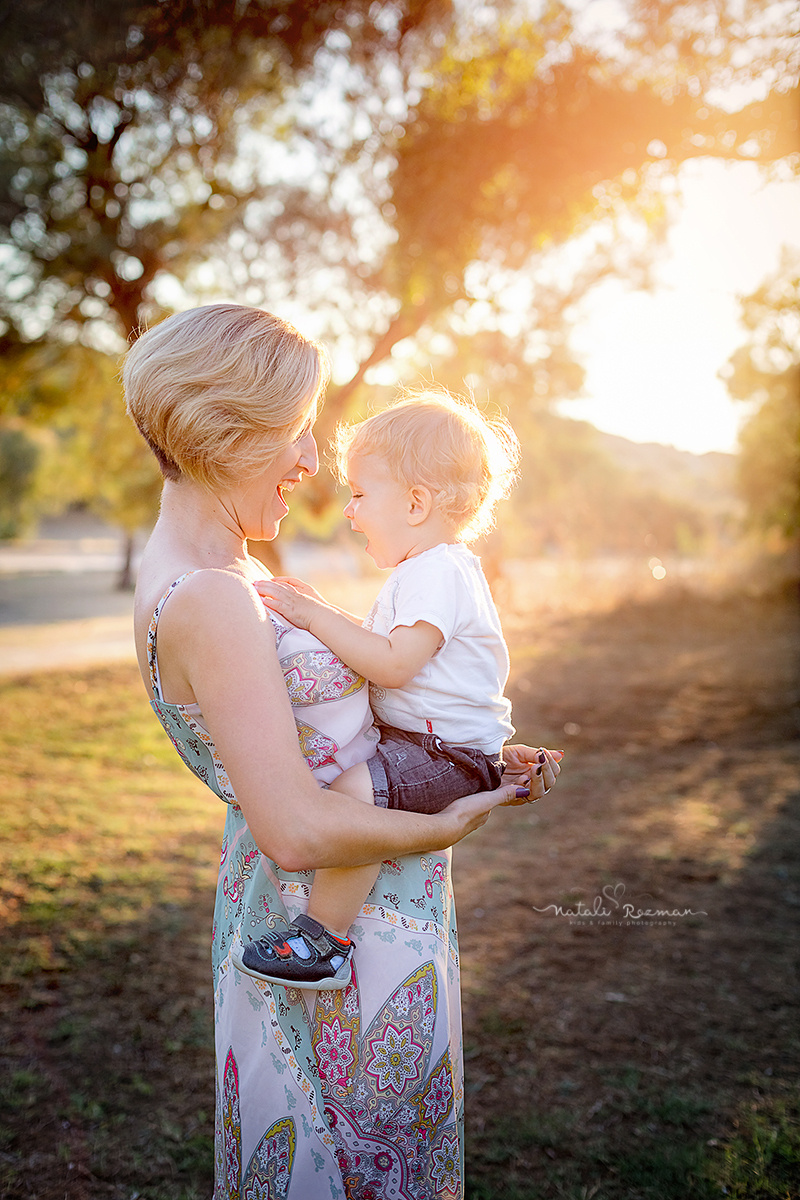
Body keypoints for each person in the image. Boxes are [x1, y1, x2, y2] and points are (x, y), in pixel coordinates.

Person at [125, 303, 561, 1200]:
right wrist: (448, 821)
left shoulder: (225, 572)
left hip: (361, 910)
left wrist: (467, 748)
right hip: (331, 939)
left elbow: (351, 723)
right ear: (229, 429)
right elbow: (294, 829)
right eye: (295, 430)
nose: (309, 460)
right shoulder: (211, 595)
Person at [238, 391, 562, 991]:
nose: (349, 511)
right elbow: (386, 648)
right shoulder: (431, 571)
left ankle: (323, 940)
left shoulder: (438, 572)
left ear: (415, 503)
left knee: (353, 795)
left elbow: (392, 665)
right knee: (354, 789)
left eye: (360, 494)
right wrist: (324, 611)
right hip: (438, 747)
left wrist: (312, 616)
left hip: (444, 756)